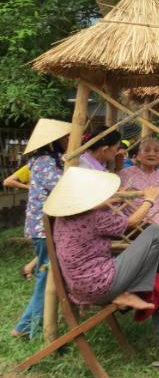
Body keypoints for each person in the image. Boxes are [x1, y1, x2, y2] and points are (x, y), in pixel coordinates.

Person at [44, 167, 159, 370]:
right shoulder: (94, 218)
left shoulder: (62, 219)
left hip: (81, 286)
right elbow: (132, 222)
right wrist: (149, 198)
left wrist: (109, 201)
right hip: (101, 284)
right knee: (156, 232)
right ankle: (132, 291)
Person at [12, 118, 71, 338]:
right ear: (54, 141)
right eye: (65, 138)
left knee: (45, 276)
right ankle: (26, 327)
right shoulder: (45, 161)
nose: (68, 140)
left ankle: (28, 326)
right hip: (43, 228)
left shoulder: (50, 159)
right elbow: (61, 187)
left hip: (44, 228)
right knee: (45, 278)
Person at [119, 138, 159, 295]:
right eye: (147, 150)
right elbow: (118, 198)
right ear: (137, 155)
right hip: (144, 225)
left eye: (156, 151)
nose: (152, 154)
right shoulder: (125, 174)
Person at [4, 164, 37, 280]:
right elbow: (8, 181)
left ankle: (28, 268)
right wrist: (29, 187)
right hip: (39, 210)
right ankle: (29, 268)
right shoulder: (31, 166)